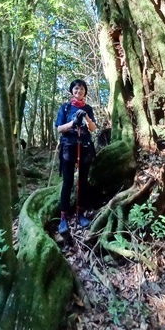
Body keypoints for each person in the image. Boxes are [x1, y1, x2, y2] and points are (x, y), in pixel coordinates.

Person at [55, 79, 96, 235]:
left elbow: (92, 128)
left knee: (83, 182)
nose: (79, 91)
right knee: (68, 182)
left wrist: (85, 118)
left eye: (82, 89)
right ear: (72, 91)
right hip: (68, 148)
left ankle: (80, 214)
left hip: (84, 147)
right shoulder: (65, 108)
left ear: (85, 91)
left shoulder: (88, 108)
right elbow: (59, 128)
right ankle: (63, 217)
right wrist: (73, 122)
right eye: (76, 89)